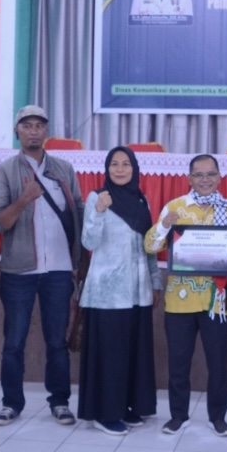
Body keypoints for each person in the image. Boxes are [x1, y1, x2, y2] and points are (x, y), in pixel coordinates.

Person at [0, 105, 83, 427]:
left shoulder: (64, 169)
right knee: (14, 342)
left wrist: (82, 260)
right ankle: (11, 403)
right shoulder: (4, 172)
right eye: (26, 125)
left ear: (46, 131)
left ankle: (60, 402)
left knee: (57, 341)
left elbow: (79, 213)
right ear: (17, 131)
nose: (33, 131)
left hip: (59, 270)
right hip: (19, 272)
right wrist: (24, 199)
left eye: (38, 126)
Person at [144, 154, 227, 436]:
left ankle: (218, 417)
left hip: (216, 300)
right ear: (189, 178)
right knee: (178, 362)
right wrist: (165, 225)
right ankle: (178, 415)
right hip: (180, 300)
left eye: (210, 174)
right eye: (198, 174)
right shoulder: (175, 207)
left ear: (219, 177)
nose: (205, 180)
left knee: (218, 362)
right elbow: (150, 246)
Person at [78, 147, 161, 435]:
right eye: (114, 164)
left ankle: (125, 406)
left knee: (131, 354)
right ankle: (105, 413)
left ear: (134, 169)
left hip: (137, 292)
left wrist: (155, 282)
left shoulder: (141, 199)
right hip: (108, 294)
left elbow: (149, 245)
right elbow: (89, 242)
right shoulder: (98, 198)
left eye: (126, 164)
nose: (120, 169)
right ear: (107, 169)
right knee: (111, 356)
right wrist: (99, 211)